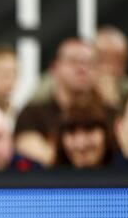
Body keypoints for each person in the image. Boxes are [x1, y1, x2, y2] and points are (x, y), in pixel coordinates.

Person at [15, 38, 111, 167]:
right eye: (73, 61)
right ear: (54, 68)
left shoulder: (111, 114)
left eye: (89, 63)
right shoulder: (31, 115)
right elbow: (31, 150)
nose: (82, 68)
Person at [54, 103, 113, 169]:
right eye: (72, 132)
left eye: (89, 130)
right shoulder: (48, 174)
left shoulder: (123, 170)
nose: (81, 145)